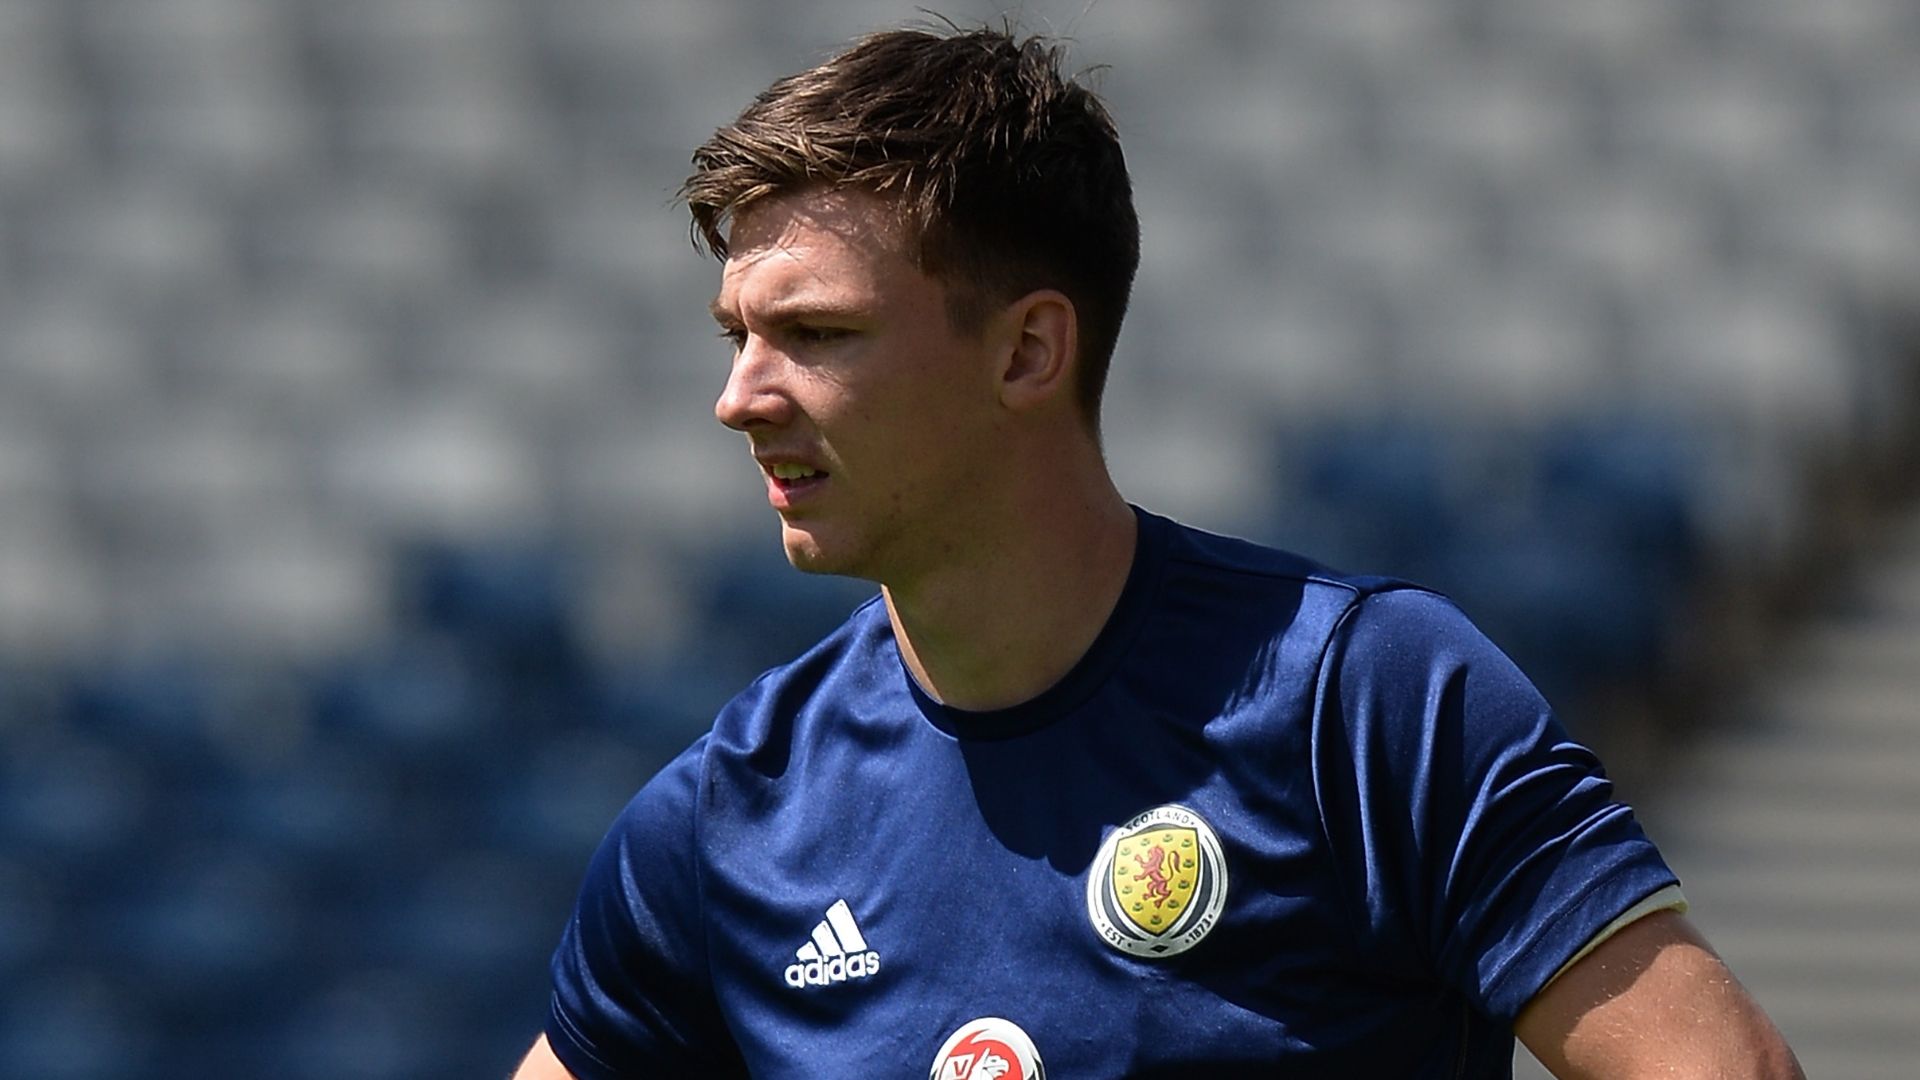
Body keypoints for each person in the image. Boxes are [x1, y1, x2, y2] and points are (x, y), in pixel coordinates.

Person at [515, 23, 1802, 1079]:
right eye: (735, 335)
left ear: (1027, 351)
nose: (742, 396)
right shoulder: (725, 820)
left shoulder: (1365, 699)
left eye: (817, 334)